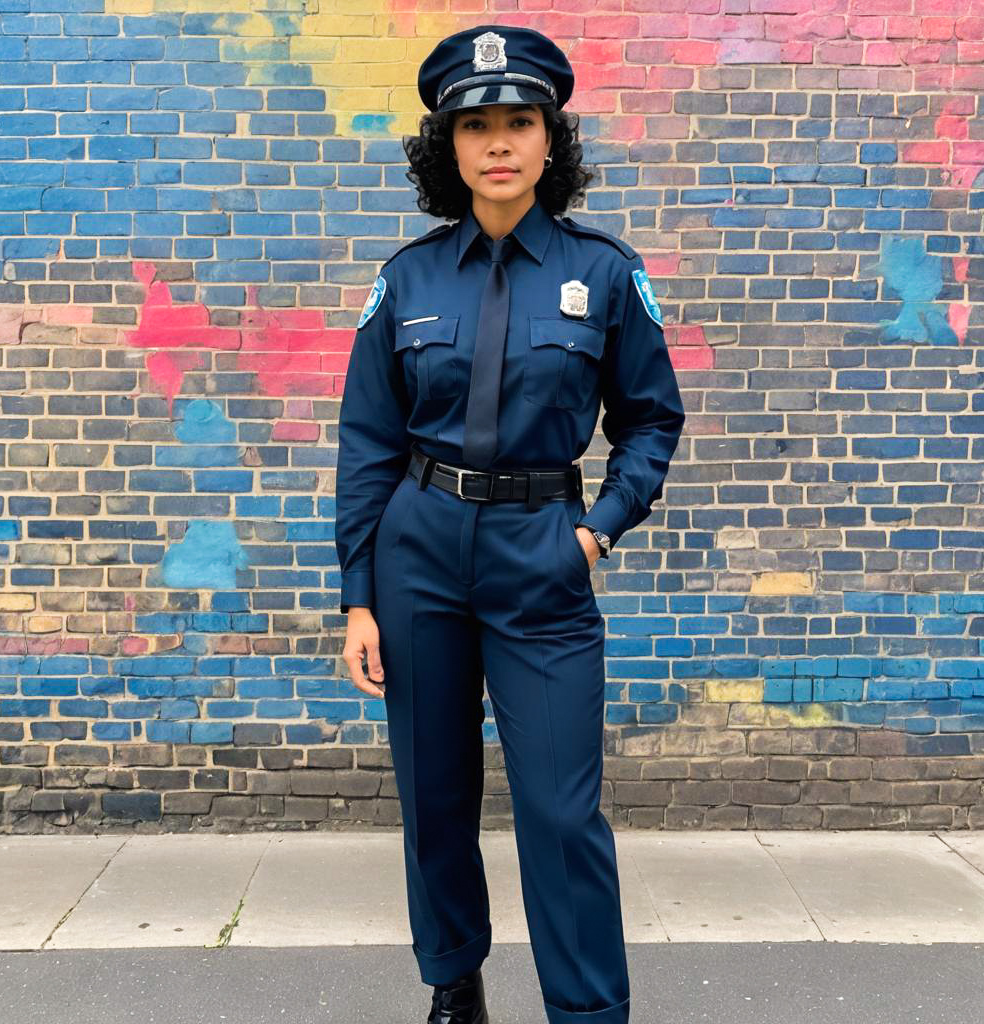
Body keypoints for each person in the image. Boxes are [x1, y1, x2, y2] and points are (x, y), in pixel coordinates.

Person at [335, 24, 685, 1024]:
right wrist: (358, 595)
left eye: (518, 122)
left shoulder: (604, 274)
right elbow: (366, 443)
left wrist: (598, 531)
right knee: (434, 799)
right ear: (445, 146)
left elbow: (652, 420)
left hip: (543, 554)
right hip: (420, 555)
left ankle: (586, 1010)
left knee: (560, 811)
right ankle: (454, 978)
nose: (498, 142)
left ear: (549, 139)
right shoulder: (407, 282)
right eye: (474, 124)